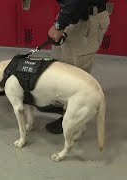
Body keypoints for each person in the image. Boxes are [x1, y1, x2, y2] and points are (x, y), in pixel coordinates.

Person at [42, 0, 110, 134]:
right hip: (72, 16)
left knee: (76, 74)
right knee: (60, 64)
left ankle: (72, 118)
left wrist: (58, 25)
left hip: (85, 20)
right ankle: (60, 103)